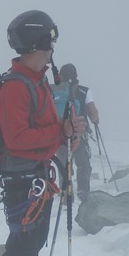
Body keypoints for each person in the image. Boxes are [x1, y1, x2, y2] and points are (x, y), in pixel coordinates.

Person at [0, 11, 86, 256]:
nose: (53, 48)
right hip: (21, 178)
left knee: (34, 241)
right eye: (51, 40)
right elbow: (16, 138)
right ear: (40, 42)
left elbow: (46, 129)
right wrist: (58, 132)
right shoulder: (15, 88)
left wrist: (67, 132)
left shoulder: (37, 83)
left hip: (37, 174)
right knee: (20, 243)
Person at [51, 63, 100, 200]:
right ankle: (83, 191)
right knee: (83, 164)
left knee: (63, 164)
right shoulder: (84, 91)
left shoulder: (53, 91)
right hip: (79, 131)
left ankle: (66, 194)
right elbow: (93, 114)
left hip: (59, 134)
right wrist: (96, 120)